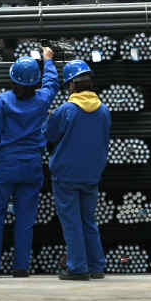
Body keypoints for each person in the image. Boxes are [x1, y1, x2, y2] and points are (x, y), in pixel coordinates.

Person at [0, 48, 60, 278]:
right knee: (25, 219)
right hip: (31, 166)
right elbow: (52, 83)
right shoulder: (42, 99)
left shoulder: (2, 102)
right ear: (35, 82)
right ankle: (21, 266)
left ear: (12, 79)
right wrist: (48, 60)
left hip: (4, 166)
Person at [46, 59, 111, 281]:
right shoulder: (103, 111)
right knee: (88, 221)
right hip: (91, 174)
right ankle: (96, 266)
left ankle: (77, 268)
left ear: (71, 85)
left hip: (66, 174)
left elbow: (50, 135)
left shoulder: (65, 110)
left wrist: (50, 119)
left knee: (72, 222)